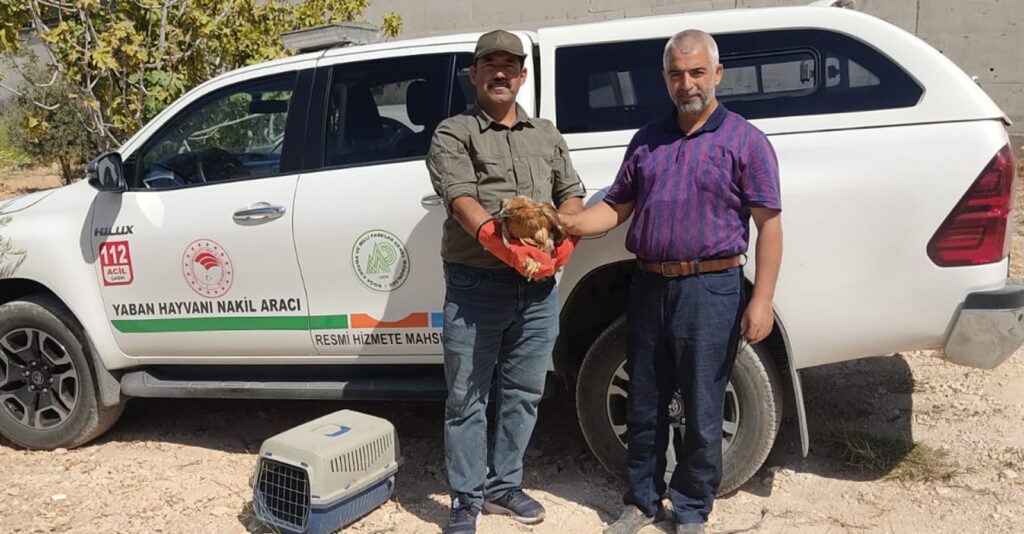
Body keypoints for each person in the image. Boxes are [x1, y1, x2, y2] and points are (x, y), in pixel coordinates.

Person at [561, 29, 782, 534]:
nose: (688, 84)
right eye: (677, 74)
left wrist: (763, 299)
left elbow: (769, 224)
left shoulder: (745, 141)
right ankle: (641, 501)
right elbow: (616, 207)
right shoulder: (647, 139)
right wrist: (570, 223)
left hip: (711, 290)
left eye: (697, 72)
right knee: (645, 401)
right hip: (648, 287)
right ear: (665, 79)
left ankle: (691, 507)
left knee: (703, 404)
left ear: (717, 74)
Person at [425, 29, 585, 534]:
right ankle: (466, 498)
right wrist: (507, 249)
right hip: (476, 286)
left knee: (523, 392)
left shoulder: (546, 134)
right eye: (490, 64)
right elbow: (461, 200)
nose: (500, 72)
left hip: (538, 291)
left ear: (523, 75)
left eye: (509, 64)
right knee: (466, 398)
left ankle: (503, 486)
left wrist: (564, 242)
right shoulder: (454, 133)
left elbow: (571, 193)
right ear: (474, 74)